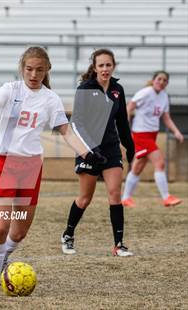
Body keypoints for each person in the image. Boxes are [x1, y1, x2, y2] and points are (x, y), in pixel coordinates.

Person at [0, 46, 102, 291]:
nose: (33, 74)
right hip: (5, 162)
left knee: (19, 232)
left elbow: (65, 130)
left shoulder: (50, 98)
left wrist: (87, 153)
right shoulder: (10, 89)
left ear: (47, 71)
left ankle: (1, 261)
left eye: (39, 70)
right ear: (22, 68)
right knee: (2, 226)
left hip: (32, 166)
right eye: (29, 69)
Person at [60, 49, 135, 257]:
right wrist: (90, 151)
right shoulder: (85, 88)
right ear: (94, 68)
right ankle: (68, 235)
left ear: (113, 66)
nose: (105, 69)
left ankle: (119, 244)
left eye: (108, 65)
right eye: (101, 65)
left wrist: (130, 147)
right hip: (88, 150)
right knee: (85, 198)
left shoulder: (117, 89)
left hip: (111, 149)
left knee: (115, 194)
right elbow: (78, 124)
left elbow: (122, 122)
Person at [122, 71, 184, 208]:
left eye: (164, 80)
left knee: (137, 167)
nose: (161, 82)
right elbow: (128, 108)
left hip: (152, 135)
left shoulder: (164, 96)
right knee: (160, 163)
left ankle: (125, 198)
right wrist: (125, 128)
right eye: (159, 79)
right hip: (141, 134)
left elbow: (166, 117)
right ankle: (167, 197)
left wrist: (176, 131)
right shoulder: (145, 92)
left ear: (167, 83)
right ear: (153, 80)